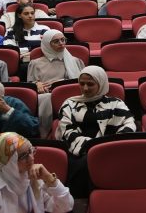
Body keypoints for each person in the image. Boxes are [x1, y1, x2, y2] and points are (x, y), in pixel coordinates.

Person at [55, 66, 136, 197]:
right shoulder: (69, 104)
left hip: (113, 150)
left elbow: (129, 125)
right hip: (80, 152)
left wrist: (110, 147)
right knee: (84, 164)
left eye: (90, 84)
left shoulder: (116, 103)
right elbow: (68, 132)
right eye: (82, 84)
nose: (85, 88)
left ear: (101, 83)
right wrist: (95, 149)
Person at [0, 132, 74, 213]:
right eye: (23, 156)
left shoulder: (31, 177)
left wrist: (49, 178)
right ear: (8, 162)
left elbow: (66, 206)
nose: (31, 158)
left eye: (31, 151)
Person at [28, 30, 85, 137]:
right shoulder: (36, 63)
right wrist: (36, 84)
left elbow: (84, 81)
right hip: (47, 94)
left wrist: (61, 83)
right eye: (56, 41)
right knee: (45, 97)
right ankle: (45, 134)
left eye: (63, 40)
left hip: (71, 94)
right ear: (47, 44)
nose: (61, 43)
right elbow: (30, 84)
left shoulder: (76, 61)